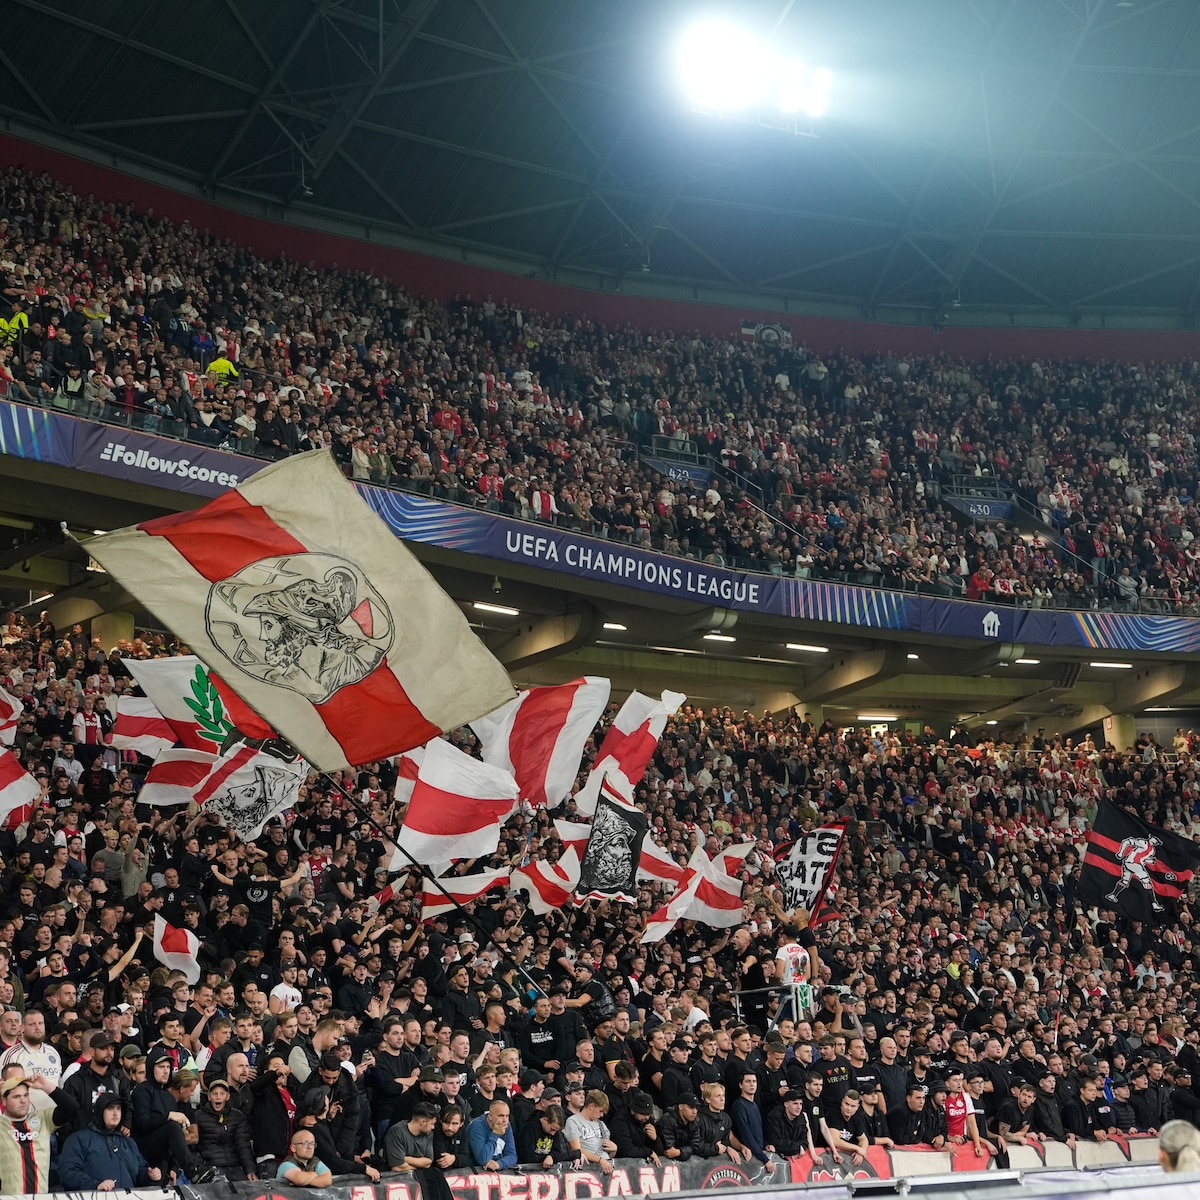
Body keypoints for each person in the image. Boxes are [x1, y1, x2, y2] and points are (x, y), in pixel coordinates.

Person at [58, 1092, 163, 1191]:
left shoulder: (129, 1143)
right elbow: (67, 1172)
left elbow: (141, 1172)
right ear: (100, 1111)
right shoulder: (78, 1139)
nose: (115, 1113)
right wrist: (95, 1184)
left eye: (119, 1109)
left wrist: (150, 1176)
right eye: (110, 1108)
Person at [0, 1073, 79, 1193]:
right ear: (4, 1101)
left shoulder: (42, 1118)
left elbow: (71, 1108)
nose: (23, 1100)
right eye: (16, 1097)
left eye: (26, 1095)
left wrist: (45, 1085)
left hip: (40, 1196)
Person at [194, 1079, 257, 1182]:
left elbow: (243, 1146)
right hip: (210, 1168)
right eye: (215, 1094)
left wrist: (250, 1170)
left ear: (228, 1096)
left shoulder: (238, 1116)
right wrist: (202, 1170)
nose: (218, 1097)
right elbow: (193, 1149)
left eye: (222, 1093)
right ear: (209, 1097)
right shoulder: (197, 1116)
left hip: (236, 1168)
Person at [564, 1090, 617, 1175]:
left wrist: (614, 1149)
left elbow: (608, 1153)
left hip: (606, 1168)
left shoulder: (601, 1124)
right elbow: (577, 1151)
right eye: (600, 1111)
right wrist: (600, 1160)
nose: (602, 1115)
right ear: (591, 1106)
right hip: (587, 1170)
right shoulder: (573, 1121)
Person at [469, 1098, 518, 1170]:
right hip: (475, 1171)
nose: (505, 1120)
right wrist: (495, 1134)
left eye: (507, 1116)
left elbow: (512, 1155)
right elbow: (483, 1159)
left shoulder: (506, 1125)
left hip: (496, 1170)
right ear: (490, 1116)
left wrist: (499, 1164)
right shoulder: (477, 1126)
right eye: (501, 1116)